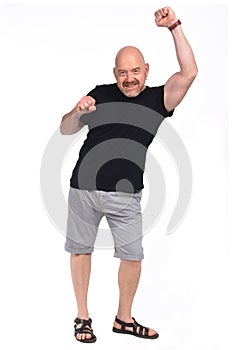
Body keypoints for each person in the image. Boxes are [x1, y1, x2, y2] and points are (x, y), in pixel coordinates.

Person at [60, 6, 197, 343]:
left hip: (127, 196)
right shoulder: (101, 93)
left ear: (146, 70)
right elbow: (65, 129)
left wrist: (174, 27)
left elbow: (190, 72)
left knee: (132, 257)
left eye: (135, 71)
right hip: (84, 189)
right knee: (81, 251)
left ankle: (123, 320)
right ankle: (82, 318)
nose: (129, 78)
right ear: (115, 73)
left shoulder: (157, 99)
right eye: (123, 73)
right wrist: (77, 112)